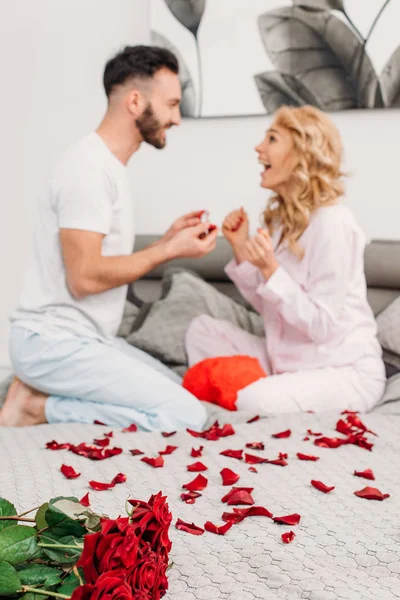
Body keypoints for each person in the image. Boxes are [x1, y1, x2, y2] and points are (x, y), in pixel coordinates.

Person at [0, 45, 218, 430]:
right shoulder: (87, 170)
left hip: (83, 339)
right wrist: (168, 250)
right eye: (171, 104)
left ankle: (30, 390)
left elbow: (100, 264)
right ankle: (36, 407)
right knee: (186, 415)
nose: (178, 119)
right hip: (53, 344)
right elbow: (84, 278)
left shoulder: (107, 167)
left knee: (177, 388)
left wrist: (164, 243)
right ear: (136, 101)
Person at [186, 105, 385, 414]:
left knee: (255, 399)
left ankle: (258, 396)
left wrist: (270, 268)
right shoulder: (283, 221)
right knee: (201, 330)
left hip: (341, 370)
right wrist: (241, 248)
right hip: (287, 360)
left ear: (301, 153)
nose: (259, 147)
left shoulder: (333, 223)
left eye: (272, 139)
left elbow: (320, 326)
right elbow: (271, 307)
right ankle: (269, 391)